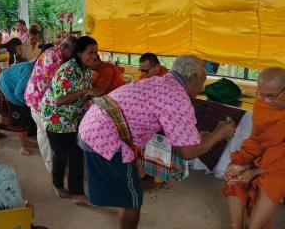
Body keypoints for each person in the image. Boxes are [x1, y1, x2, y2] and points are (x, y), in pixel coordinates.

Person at [78, 55, 236, 229]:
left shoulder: (163, 82)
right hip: (102, 136)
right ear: (193, 79)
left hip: (93, 123)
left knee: (127, 188)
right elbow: (188, 152)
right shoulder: (178, 98)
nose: (200, 89)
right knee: (132, 200)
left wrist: (212, 134)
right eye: (202, 83)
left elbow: (185, 139)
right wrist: (219, 134)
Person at [223, 67, 285, 229]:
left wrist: (256, 171)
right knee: (234, 170)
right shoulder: (262, 105)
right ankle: (236, 225)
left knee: (271, 181)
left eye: (271, 96)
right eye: (262, 94)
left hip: (281, 165)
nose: (265, 100)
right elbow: (256, 139)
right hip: (265, 156)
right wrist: (244, 163)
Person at [41, 36, 100, 203]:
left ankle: (77, 193)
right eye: (90, 52)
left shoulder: (87, 71)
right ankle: (57, 185)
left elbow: (84, 95)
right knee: (61, 155)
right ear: (79, 53)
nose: (94, 56)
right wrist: (85, 92)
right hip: (55, 118)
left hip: (73, 118)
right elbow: (59, 100)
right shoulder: (67, 70)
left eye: (96, 52)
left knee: (77, 154)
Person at [24, 37, 77, 173]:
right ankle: (53, 168)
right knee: (48, 133)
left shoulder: (55, 53)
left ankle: (53, 166)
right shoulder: (53, 56)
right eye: (73, 53)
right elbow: (56, 82)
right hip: (39, 100)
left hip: (37, 98)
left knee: (44, 131)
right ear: (65, 49)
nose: (73, 57)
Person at [0, 60, 37, 156]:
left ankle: (26, 140)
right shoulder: (29, 71)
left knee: (26, 117)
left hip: (16, 88)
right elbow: (18, 93)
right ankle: (22, 146)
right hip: (7, 85)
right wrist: (27, 103)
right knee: (20, 119)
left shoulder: (34, 68)